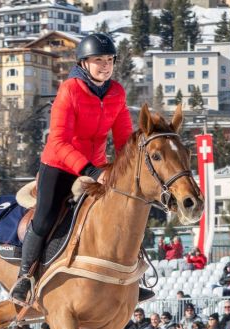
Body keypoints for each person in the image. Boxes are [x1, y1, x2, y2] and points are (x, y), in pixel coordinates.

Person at [9, 32, 152, 304]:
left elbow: (123, 141)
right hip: (60, 164)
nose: (105, 65)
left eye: (109, 59)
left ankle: (133, 275)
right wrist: (92, 171)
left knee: (124, 212)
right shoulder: (69, 90)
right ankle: (25, 277)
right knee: (45, 217)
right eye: (98, 60)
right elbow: (59, 141)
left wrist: (129, 168)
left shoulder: (117, 92)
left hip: (97, 164)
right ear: (84, 63)